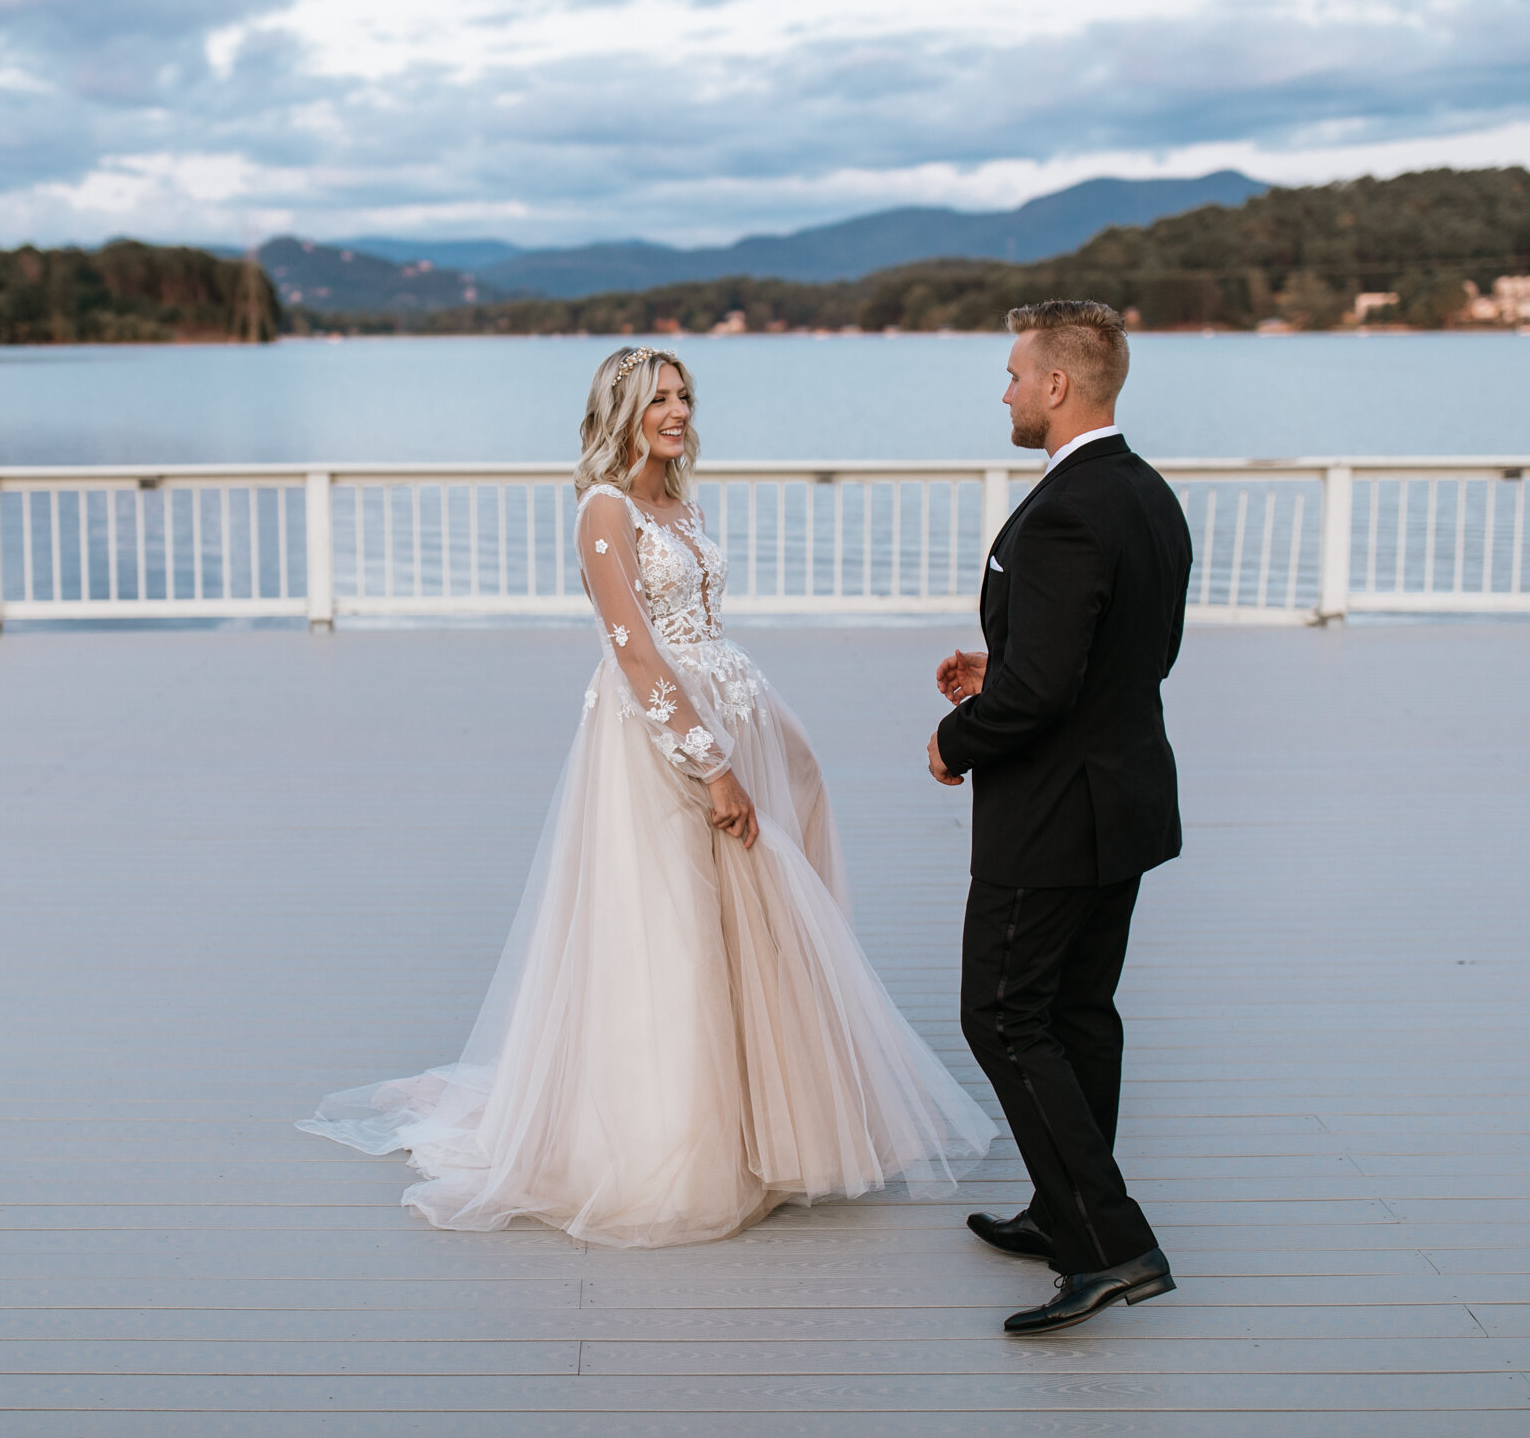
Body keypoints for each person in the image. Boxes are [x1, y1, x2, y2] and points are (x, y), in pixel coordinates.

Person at [301, 345, 994, 1249]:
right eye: (659, 398)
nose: (677, 410)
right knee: (675, 930)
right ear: (620, 410)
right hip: (661, 739)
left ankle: (762, 1130)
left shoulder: (682, 501)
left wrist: (763, 737)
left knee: (749, 919)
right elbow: (634, 649)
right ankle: (673, 1145)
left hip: (733, 706)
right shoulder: (605, 510)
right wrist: (709, 763)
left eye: (684, 396)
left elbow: (702, 627)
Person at [928, 299, 1193, 1334]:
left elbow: (1039, 700)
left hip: (1052, 813)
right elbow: (1118, 652)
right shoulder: (1144, 492)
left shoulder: (1070, 506)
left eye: (1011, 374)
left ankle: (1110, 1243)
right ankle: (1060, 1207)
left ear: (1056, 386)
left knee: (1000, 1013)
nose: (1002, 390)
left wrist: (960, 737)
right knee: (1080, 1013)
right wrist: (1002, 668)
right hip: (1122, 797)